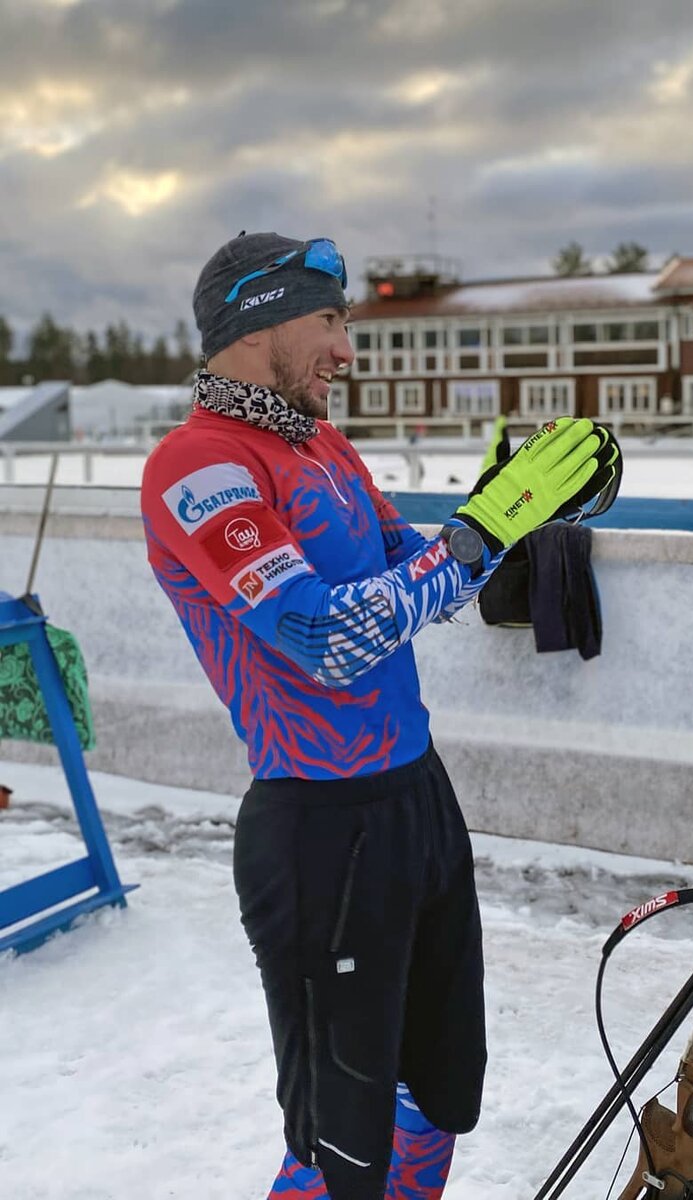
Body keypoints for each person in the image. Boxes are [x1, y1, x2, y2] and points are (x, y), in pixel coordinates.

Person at [139, 231, 620, 1200]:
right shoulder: (197, 467)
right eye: (329, 321)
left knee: (439, 1087)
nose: (347, 351)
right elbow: (323, 638)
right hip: (320, 832)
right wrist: (476, 535)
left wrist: (502, 519)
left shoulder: (322, 445)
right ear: (255, 322)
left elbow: (420, 581)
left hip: (416, 801)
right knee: (340, 1137)